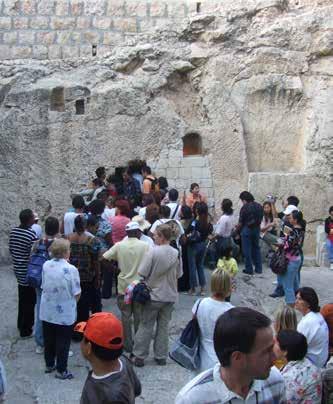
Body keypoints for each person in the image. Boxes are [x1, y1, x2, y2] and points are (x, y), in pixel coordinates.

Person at [175, 307, 285, 403]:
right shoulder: (192, 399)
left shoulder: (275, 381)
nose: (275, 357)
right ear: (237, 358)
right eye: (266, 351)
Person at [133, 224, 182, 367]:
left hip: (154, 294)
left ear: (161, 236)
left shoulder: (153, 252)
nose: (153, 237)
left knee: (146, 325)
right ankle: (161, 356)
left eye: (155, 235)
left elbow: (142, 272)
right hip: (170, 294)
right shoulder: (176, 253)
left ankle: (139, 355)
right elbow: (179, 273)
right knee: (163, 326)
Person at [102, 222, 149, 355]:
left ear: (127, 233)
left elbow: (103, 258)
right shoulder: (145, 246)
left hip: (124, 286)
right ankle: (139, 346)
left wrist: (116, 270)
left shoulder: (119, 245)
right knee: (139, 317)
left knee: (126, 317)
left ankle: (127, 345)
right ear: (137, 232)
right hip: (139, 287)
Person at [75, 312, 141, 404]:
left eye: (83, 338)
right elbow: (137, 389)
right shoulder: (123, 360)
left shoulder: (113, 397)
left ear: (88, 348)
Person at [40, 239, 81, 379]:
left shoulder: (46, 265)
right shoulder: (71, 269)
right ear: (65, 252)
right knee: (63, 341)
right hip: (64, 311)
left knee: (49, 338)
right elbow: (77, 292)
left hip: (47, 309)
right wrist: (72, 303)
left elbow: (43, 284)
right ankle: (61, 370)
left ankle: (49, 364)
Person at [192, 268, 233, 372]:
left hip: (200, 355)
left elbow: (194, 322)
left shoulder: (200, 303)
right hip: (219, 358)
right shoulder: (231, 311)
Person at [68, 216, 101, 341]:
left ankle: (78, 333)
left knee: (79, 308)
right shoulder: (92, 240)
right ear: (86, 224)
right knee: (93, 306)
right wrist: (98, 277)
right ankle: (93, 332)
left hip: (74, 277)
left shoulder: (68, 238)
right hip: (88, 277)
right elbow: (96, 261)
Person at [9, 209, 38, 338]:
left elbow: (11, 249)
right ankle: (26, 330)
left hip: (18, 269)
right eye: (33, 217)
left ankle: (20, 324)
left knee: (22, 298)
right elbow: (34, 254)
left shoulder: (13, 231)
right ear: (29, 220)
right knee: (29, 301)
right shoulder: (31, 235)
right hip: (27, 271)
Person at [34, 216, 60, 354]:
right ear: (57, 229)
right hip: (54, 281)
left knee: (40, 310)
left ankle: (40, 342)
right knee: (56, 312)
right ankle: (54, 342)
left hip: (40, 280)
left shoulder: (38, 242)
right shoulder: (60, 244)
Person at [274, 330, 322, 403]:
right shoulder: (307, 363)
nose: (272, 345)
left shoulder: (291, 378)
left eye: (275, 343)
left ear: (285, 351)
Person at [276, 210, 306, 306]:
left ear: (295, 220)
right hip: (297, 258)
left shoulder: (293, 231)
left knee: (288, 285)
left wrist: (280, 244)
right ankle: (298, 303)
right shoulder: (301, 229)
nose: (289, 219)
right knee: (295, 284)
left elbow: (287, 245)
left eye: (290, 217)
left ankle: (290, 307)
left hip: (291, 259)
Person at [296, 287, 329, 368]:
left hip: (313, 364)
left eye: (299, 299)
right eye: (296, 298)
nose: (296, 301)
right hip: (321, 359)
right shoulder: (317, 315)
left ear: (309, 303)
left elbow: (295, 348)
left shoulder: (307, 322)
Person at [88, 199, 113, 299]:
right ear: (102, 210)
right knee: (108, 269)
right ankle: (106, 293)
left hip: (88, 249)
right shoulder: (105, 224)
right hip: (102, 251)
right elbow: (109, 240)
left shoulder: (85, 219)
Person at [187, 202, 213, 295]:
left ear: (197, 210)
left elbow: (189, 230)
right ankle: (202, 288)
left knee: (192, 266)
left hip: (194, 245)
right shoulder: (207, 221)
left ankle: (193, 288)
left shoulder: (195, 221)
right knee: (200, 266)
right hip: (203, 244)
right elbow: (210, 231)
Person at [237, 191, 264, 275]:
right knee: (256, 248)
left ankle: (249, 269)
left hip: (247, 229)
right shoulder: (259, 206)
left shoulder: (244, 208)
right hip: (257, 229)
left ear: (244, 199)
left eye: (242, 200)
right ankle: (259, 268)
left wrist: (237, 230)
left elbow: (241, 222)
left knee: (246, 250)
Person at [178, 205, 193, 292]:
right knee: (187, 265)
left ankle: (182, 285)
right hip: (189, 245)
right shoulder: (191, 220)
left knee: (182, 265)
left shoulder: (181, 223)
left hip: (182, 245)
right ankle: (188, 284)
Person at [325, 206, 333, 270]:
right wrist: (330, 230)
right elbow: (326, 230)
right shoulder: (327, 220)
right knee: (329, 245)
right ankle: (332, 262)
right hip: (330, 237)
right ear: (330, 212)